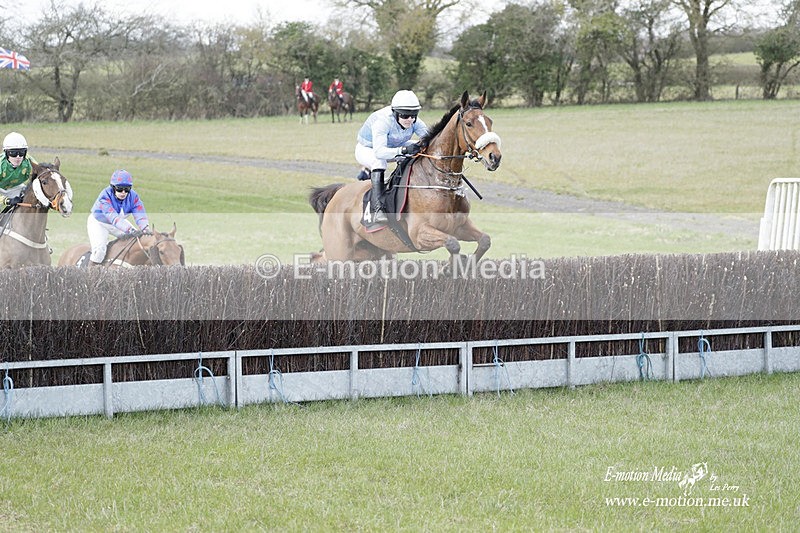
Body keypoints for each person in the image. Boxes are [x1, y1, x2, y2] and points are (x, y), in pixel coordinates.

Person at [355, 89, 428, 223]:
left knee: (419, 146)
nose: (410, 120)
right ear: (395, 112)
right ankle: (377, 209)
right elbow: (380, 152)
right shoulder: (382, 121)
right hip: (368, 149)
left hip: (394, 146)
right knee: (379, 162)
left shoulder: (413, 120)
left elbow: (429, 138)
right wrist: (404, 150)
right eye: (405, 116)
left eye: (413, 115)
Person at [87, 169, 150, 265]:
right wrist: (130, 230)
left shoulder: (134, 197)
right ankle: (90, 275)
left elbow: (140, 215)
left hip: (119, 223)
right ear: (113, 187)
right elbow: (114, 218)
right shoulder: (104, 197)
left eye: (127, 189)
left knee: (135, 241)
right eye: (119, 189)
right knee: (99, 251)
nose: (123, 192)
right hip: (99, 223)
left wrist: (145, 229)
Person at [0, 131, 36, 211]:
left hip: (15, 188)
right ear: (6, 153)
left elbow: (41, 177)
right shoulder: (0, 165)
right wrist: (6, 200)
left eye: (22, 152)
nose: (18, 157)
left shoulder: (29, 162)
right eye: (13, 153)